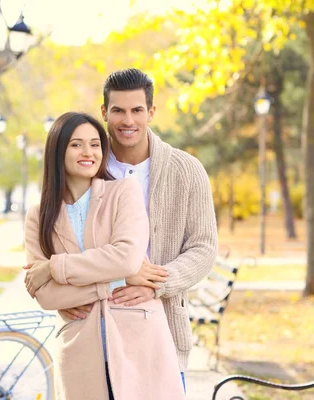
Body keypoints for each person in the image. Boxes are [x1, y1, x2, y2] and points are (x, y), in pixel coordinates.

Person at [59, 68, 219, 392]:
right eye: (118, 110)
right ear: (104, 112)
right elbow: (62, 243)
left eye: (137, 110)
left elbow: (203, 247)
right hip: (94, 331)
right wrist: (66, 293)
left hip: (161, 329)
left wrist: (157, 283)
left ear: (151, 112)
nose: (127, 120)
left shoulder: (186, 170)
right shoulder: (87, 168)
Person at [23, 111, 185, 400]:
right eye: (76, 144)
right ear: (58, 150)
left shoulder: (123, 192)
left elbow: (125, 258)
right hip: (79, 351)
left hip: (139, 341)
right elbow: (46, 296)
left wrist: (54, 267)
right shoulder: (39, 216)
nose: (88, 152)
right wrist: (115, 281)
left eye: (95, 144)